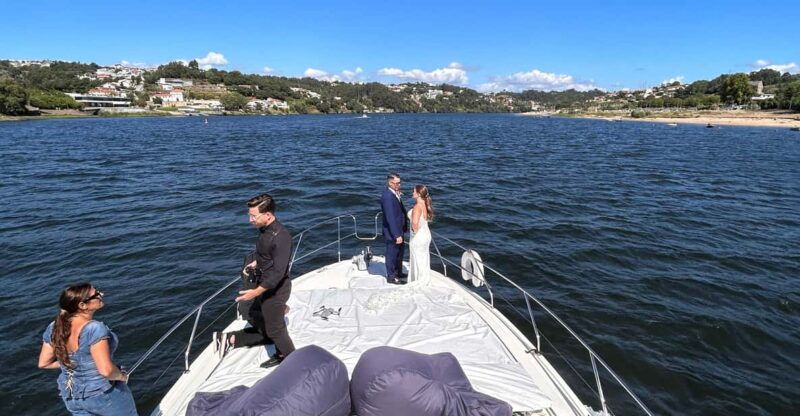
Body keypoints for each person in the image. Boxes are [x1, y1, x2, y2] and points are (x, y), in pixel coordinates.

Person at [38, 283, 137, 416]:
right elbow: (106, 371)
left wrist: (77, 364)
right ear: (82, 306)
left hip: (73, 397)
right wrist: (121, 376)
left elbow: (44, 363)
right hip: (104, 396)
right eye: (96, 294)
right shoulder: (94, 329)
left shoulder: (54, 327)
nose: (102, 295)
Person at [230, 193, 296, 368]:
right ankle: (278, 313)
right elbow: (265, 254)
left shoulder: (281, 237)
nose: (250, 220)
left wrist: (255, 292)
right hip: (263, 285)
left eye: (254, 216)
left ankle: (289, 359)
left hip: (275, 290)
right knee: (260, 313)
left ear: (268, 215)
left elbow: (278, 273)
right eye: (249, 215)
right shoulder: (265, 231)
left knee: (276, 330)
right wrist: (254, 262)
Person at [380, 173, 408, 284]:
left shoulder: (394, 193)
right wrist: (396, 235)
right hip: (393, 232)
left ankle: (399, 272)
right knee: (392, 254)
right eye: (396, 183)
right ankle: (391, 276)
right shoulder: (387, 197)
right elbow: (390, 217)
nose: (398, 185)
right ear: (389, 182)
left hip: (399, 229)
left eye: (399, 183)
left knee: (399, 253)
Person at [408, 185, 434, 285]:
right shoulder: (425, 203)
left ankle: (418, 281)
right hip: (426, 234)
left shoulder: (417, 206)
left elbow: (415, 223)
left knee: (417, 258)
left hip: (419, 236)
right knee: (424, 258)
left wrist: (414, 233)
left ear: (419, 194)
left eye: (414, 191)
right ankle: (424, 278)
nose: (412, 193)